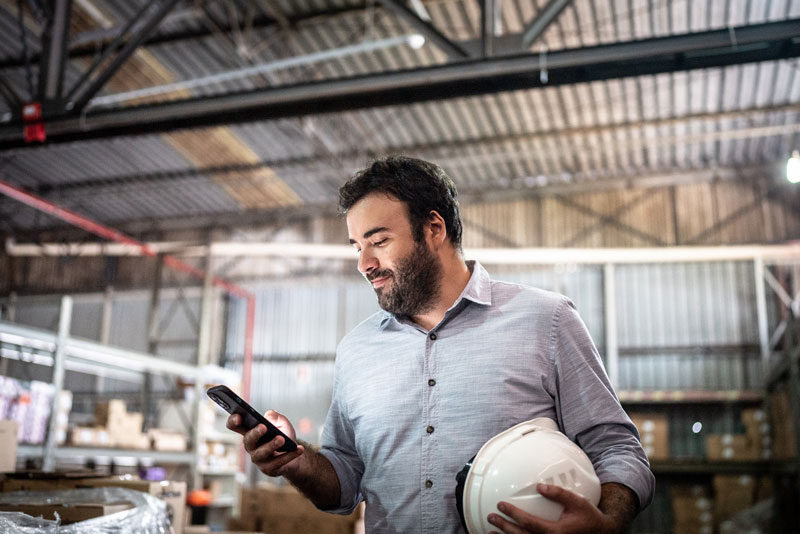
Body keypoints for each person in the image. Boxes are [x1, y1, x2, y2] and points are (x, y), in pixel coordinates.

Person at [227, 155, 655, 533]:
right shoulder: (356, 351)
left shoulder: (547, 319)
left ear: (434, 228)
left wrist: (607, 522)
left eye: (378, 241)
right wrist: (295, 460)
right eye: (357, 247)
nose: (364, 264)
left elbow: (617, 448)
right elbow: (346, 478)